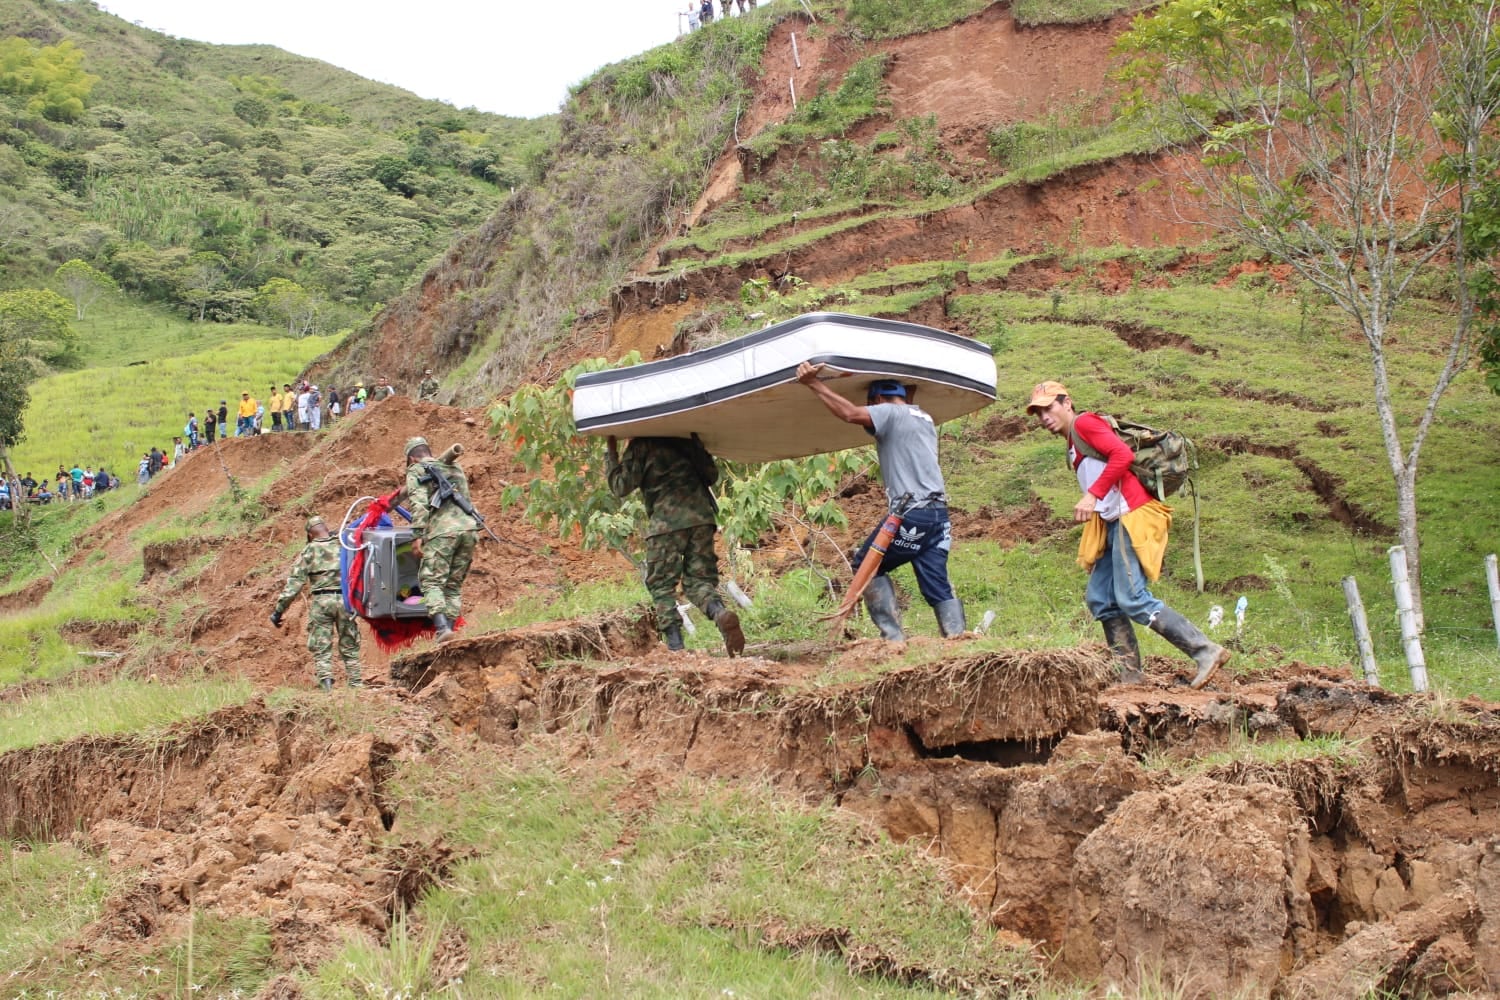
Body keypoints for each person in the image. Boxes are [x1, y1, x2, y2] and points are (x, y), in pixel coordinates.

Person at [1026, 380, 1230, 688]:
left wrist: (1093, 495)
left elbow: (1121, 455)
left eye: (1049, 408)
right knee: (1101, 598)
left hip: (1130, 516)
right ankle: (1130, 676)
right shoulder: (1072, 441)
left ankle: (1205, 650)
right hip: (1113, 522)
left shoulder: (1084, 423)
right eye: (1038, 412)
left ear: (1066, 403)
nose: (1043, 417)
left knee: (1132, 598)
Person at [796, 363, 966, 640]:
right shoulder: (923, 417)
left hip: (912, 513)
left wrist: (813, 383)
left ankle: (892, 640)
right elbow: (902, 407)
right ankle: (957, 639)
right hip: (938, 517)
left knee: (867, 564)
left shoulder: (888, 412)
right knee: (936, 585)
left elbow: (850, 414)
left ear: (875, 401)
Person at [605, 434, 745, 655]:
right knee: (698, 581)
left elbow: (620, 486)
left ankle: (675, 646)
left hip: (665, 525)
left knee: (662, 586)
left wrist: (611, 452)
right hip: (701, 519)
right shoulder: (687, 438)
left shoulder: (642, 444)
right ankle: (719, 613)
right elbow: (711, 475)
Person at [270, 515, 363, 690]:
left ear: (310, 535)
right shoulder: (343, 544)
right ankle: (356, 685)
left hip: (321, 601)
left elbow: (295, 584)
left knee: (322, 646)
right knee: (350, 644)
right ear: (326, 529)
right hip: (345, 601)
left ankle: (327, 685)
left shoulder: (310, 550)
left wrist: (279, 611)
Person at [403, 437, 480, 642]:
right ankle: (451, 632)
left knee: (431, 581)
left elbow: (419, 505)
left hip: (442, 532)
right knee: (453, 586)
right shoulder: (455, 467)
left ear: (411, 458)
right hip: (468, 530)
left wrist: (417, 535)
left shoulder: (416, 470)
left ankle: (441, 629)